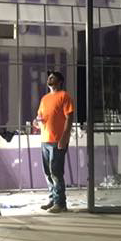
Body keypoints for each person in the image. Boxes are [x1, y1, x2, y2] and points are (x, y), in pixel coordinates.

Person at [36, 71, 75, 213]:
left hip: (57, 140)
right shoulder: (44, 99)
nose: (49, 79)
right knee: (48, 172)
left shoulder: (64, 96)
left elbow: (69, 117)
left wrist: (64, 137)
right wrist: (36, 122)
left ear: (59, 82)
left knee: (56, 172)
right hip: (45, 140)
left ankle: (60, 203)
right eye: (49, 77)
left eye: (52, 77)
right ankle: (53, 199)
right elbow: (39, 117)